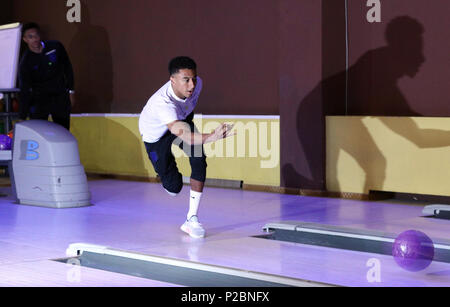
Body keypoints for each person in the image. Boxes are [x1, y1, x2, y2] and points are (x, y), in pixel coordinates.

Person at [139, 56, 234, 238]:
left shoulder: (198, 85)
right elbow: (186, 136)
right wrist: (211, 136)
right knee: (173, 188)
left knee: (199, 157)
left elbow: (187, 119)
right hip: (156, 135)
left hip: (181, 121)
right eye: (186, 80)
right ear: (172, 80)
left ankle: (192, 218)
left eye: (193, 79)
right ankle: (167, 173)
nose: (191, 85)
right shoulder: (162, 104)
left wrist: (201, 137)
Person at [18, 22, 75, 130]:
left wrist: (71, 91)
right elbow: (24, 89)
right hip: (40, 100)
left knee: (62, 130)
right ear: (25, 39)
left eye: (36, 35)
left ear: (40, 35)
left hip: (59, 96)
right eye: (30, 37)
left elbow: (68, 68)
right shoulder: (25, 62)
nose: (34, 39)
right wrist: (22, 116)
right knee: (39, 131)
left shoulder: (55, 47)